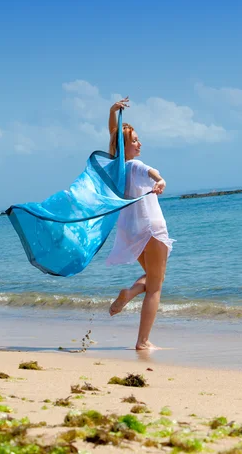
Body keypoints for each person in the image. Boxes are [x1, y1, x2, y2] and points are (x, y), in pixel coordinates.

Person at [106, 97, 174, 350]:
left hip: (132, 231)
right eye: (134, 141)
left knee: (154, 277)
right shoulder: (135, 164)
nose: (139, 143)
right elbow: (152, 172)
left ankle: (131, 293)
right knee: (156, 286)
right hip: (152, 228)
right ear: (127, 146)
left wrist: (113, 112)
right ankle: (143, 341)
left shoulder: (117, 169)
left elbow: (114, 136)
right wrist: (161, 180)